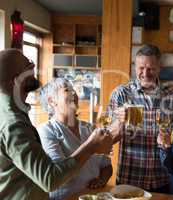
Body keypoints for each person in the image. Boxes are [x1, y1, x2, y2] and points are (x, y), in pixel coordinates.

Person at [0, 49, 113, 200]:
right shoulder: (13, 124)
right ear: (16, 80)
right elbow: (50, 179)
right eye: (28, 67)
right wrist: (91, 146)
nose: (34, 69)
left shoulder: (13, 113)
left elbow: (104, 163)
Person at [107, 44, 173, 193]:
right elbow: (108, 138)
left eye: (150, 68)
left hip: (162, 177)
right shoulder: (121, 94)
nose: (145, 73)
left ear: (159, 68)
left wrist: (170, 139)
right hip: (130, 177)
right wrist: (120, 122)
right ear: (135, 66)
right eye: (141, 68)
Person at [38, 78, 113, 200]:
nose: (74, 93)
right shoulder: (46, 130)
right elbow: (59, 175)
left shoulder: (89, 128)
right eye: (67, 90)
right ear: (52, 101)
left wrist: (102, 180)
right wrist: (91, 145)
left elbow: (106, 165)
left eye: (74, 89)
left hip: (95, 196)